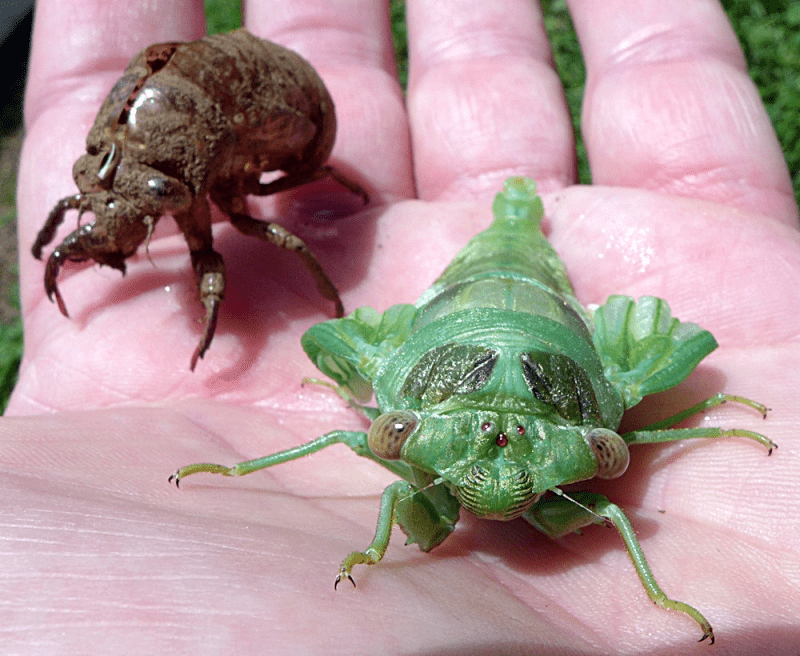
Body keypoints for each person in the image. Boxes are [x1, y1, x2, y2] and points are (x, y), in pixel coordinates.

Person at [5, 0, 799, 652]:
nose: (499, 472)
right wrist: (660, 425)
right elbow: (624, 480)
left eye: (605, 445)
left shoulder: (412, 438)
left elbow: (361, 449)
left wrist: (681, 426)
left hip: (479, 298)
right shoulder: (154, 171)